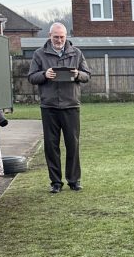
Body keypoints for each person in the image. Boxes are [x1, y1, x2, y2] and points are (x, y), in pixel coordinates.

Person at [28, 23, 90, 193]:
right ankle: (55, 182)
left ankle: (74, 180)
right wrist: (44, 74)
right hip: (49, 106)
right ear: (50, 36)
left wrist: (78, 74)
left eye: (62, 37)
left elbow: (87, 75)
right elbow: (31, 77)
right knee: (51, 146)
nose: (59, 40)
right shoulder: (39, 54)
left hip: (71, 105)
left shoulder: (76, 53)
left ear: (66, 36)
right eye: (56, 37)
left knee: (73, 144)